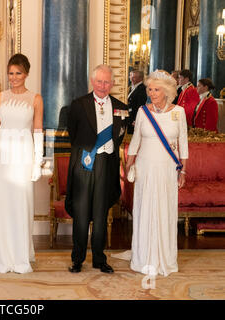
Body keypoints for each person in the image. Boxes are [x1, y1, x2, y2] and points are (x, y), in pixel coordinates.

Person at [65, 65, 129, 274]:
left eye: (107, 82)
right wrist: (87, 153)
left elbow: (120, 135)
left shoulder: (121, 107)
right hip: (85, 164)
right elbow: (73, 135)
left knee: (100, 214)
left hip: (107, 165)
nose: (103, 86)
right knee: (82, 214)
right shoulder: (78, 104)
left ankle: (100, 259)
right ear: (92, 82)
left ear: (112, 84)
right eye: (99, 81)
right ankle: (78, 258)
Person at [0, 54, 44, 274]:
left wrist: (37, 163)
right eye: (11, 73)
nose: (14, 77)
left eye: (18, 73)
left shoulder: (35, 99)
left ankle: (21, 256)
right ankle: (6, 257)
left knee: (22, 205)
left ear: (26, 74)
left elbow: (38, 131)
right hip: (3, 155)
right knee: (3, 206)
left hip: (24, 154)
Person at [125, 70, 188, 277]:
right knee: (145, 209)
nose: (152, 93)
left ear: (167, 91)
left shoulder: (179, 112)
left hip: (168, 168)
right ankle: (143, 257)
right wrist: (129, 166)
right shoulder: (143, 111)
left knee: (164, 210)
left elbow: (183, 145)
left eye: (156, 89)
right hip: (145, 167)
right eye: (150, 89)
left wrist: (183, 171)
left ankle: (164, 259)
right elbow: (135, 142)